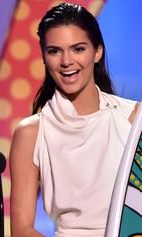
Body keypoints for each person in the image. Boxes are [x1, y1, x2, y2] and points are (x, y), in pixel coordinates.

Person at [9, 3, 138, 237]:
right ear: (44, 58)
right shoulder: (32, 133)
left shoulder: (134, 119)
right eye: (55, 51)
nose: (66, 61)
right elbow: (21, 229)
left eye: (78, 49)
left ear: (97, 52)